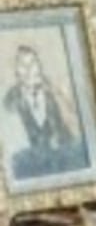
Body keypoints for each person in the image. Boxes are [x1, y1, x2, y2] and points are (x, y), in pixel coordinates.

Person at [3, 44, 89, 182]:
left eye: (32, 63)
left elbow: (77, 126)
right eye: (22, 65)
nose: (28, 70)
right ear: (16, 71)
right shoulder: (9, 102)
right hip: (32, 171)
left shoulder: (56, 92)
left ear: (39, 66)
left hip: (65, 163)